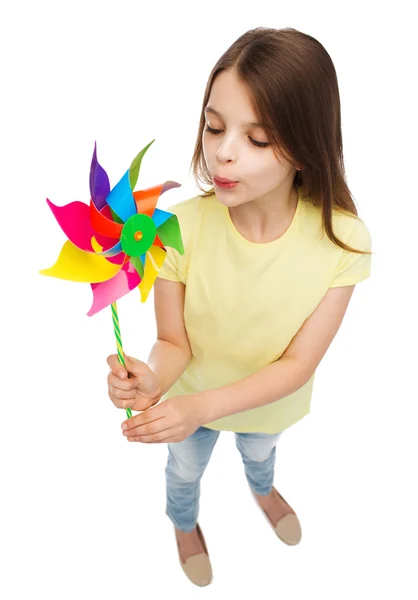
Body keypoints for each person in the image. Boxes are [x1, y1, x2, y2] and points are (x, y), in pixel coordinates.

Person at [106, 26, 373, 587]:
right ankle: (184, 522)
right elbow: (176, 342)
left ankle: (261, 488)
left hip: (266, 405)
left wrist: (203, 406)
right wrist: (152, 380)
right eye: (214, 126)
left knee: (260, 454)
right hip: (186, 406)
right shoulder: (175, 227)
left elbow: (298, 366)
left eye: (258, 138)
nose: (223, 151)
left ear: (307, 142)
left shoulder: (344, 241)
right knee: (184, 472)